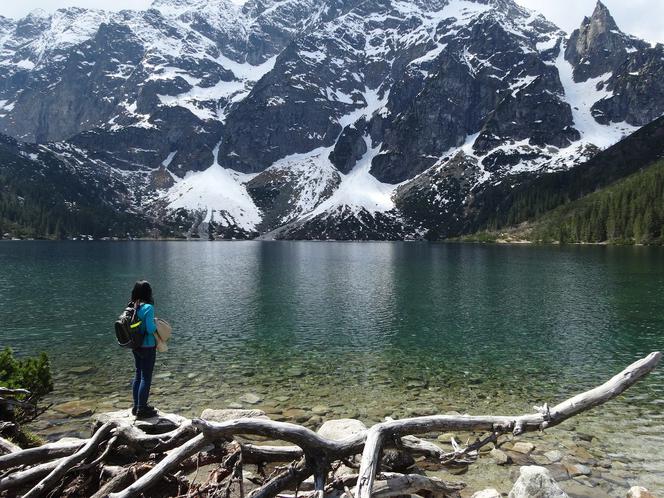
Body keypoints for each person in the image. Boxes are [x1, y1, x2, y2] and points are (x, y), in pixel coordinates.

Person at [130, 280, 158, 419]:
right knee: (146, 377)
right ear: (148, 293)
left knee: (138, 375)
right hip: (147, 345)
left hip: (135, 345)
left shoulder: (132, 306)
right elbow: (150, 329)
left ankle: (136, 406)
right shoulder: (148, 308)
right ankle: (142, 409)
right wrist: (156, 323)